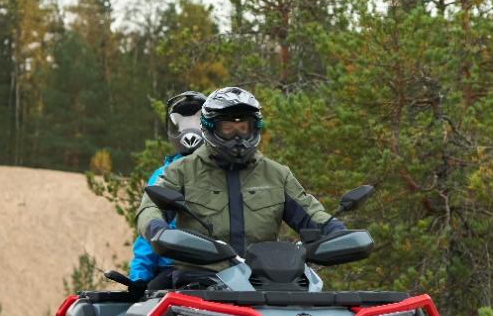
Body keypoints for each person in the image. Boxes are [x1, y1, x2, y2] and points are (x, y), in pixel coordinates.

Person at [135, 86, 344, 284]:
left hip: (265, 283)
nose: (237, 136)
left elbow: (311, 213)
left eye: (243, 128)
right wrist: (157, 229)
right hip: (200, 283)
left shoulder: (277, 175)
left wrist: (334, 230)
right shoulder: (180, 171)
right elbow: (150, 207)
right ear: (210, 127)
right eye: (228, 128)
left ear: (254, 127)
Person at [127, 91, 207, 294]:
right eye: (183, 124)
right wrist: (139, 277)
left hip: (221, 268)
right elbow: (149, 230)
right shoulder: (163, 175)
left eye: (196, 122)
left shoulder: (225, 172)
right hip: (173, 268)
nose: (190, 130)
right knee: (147, 306)